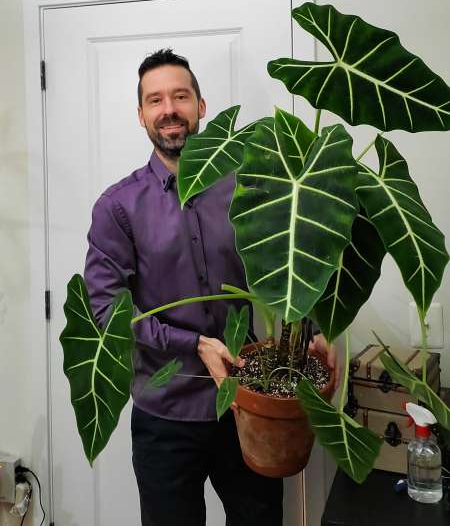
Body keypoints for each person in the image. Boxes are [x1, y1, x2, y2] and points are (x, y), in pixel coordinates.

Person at [84, 49, 336, 526]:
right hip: (167, 411)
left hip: (250, 399)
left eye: (180, 95)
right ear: (141, 116)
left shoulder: (250, 185)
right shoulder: (119, 207)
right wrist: (193, 344)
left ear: (202, 106)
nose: (169, 109)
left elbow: (291, 261)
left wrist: (315, 328)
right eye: (155, 100)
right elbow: (106, 308)